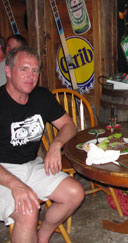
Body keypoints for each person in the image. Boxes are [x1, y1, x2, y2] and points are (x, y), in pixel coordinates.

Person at [0, 46, 84, 243]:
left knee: (75, 193)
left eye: (35, 70)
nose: (31, 76)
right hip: (3, 172)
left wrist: (56, 145)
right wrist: (16, 185)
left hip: (31, 165)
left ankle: (42, 236)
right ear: (8, 71)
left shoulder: (41, 96)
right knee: (28, 212)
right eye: (24, 69)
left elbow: (68, 125)